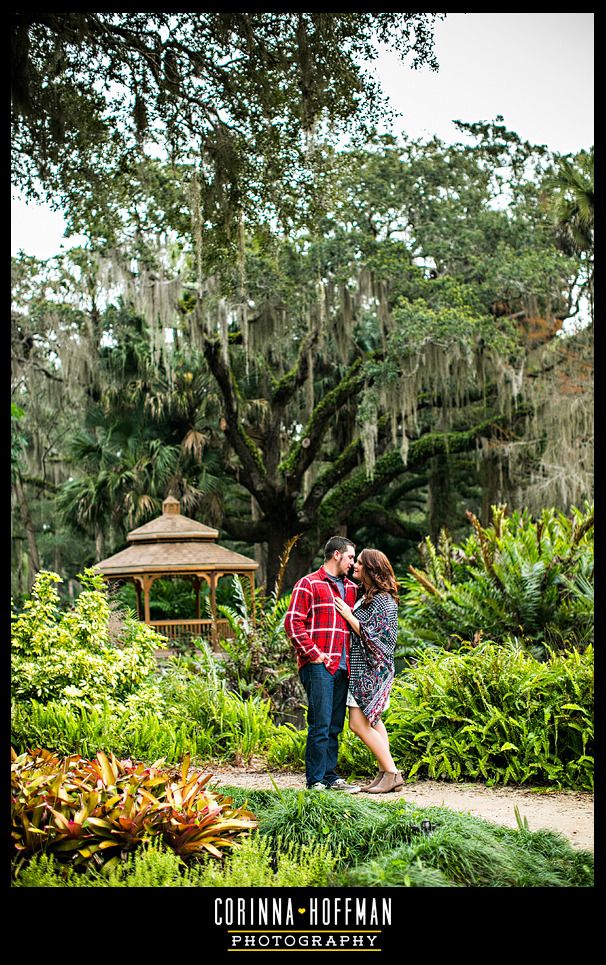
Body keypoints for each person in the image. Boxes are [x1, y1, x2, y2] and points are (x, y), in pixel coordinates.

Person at [284, 536, 362, 792]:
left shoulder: (350, 589)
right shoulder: (308, 584)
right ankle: (315, 780)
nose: (353, 562)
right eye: (351, 557)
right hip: (318, 665)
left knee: (335, 724)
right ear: (337, 555)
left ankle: (330, 776)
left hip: (343, 666)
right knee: (319, 722)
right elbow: (293, 623)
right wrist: (314, 653)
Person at [333, 548, 403, 794]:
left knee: (357, 724)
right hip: (363, 668)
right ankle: (385, 772)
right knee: (375, 721)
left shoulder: (384, 600)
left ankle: (393, 773)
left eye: (360, 563)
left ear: (372, 569)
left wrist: (350, 617)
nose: (356, 566)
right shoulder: (368, 595)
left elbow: (381, 639)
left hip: (372, 670)